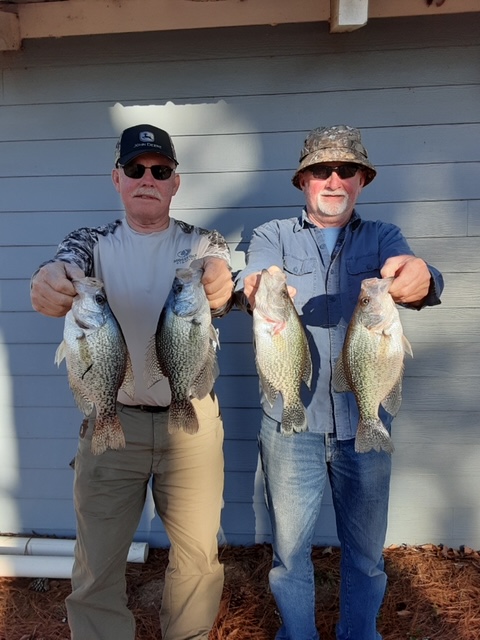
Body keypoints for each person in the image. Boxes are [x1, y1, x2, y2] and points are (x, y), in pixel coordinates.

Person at [235, 125, 444, 640]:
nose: (333, 179)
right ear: (303, 180)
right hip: (290, 428)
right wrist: (256, 284)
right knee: (289, 556)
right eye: (320, 170)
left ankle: (359, 634)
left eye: (345, 170)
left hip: (364, 423)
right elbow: (252, 279)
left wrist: (423, 276)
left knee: (368, 556)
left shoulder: (383, 238)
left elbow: (420, 277)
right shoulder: (272, 235)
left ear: (361, 181)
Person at [30, 124, 235, 640]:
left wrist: (218, 278)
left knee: (196, 563)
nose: (147, 178)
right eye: (136, 169)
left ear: (175, 182)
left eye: (159, 170)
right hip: (111, 417)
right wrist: (49, 281)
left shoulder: (201, 243)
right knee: (96, 565)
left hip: (190, 422)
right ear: (116, 178)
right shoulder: (91, 243)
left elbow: (219, 271)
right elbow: (60, 268)